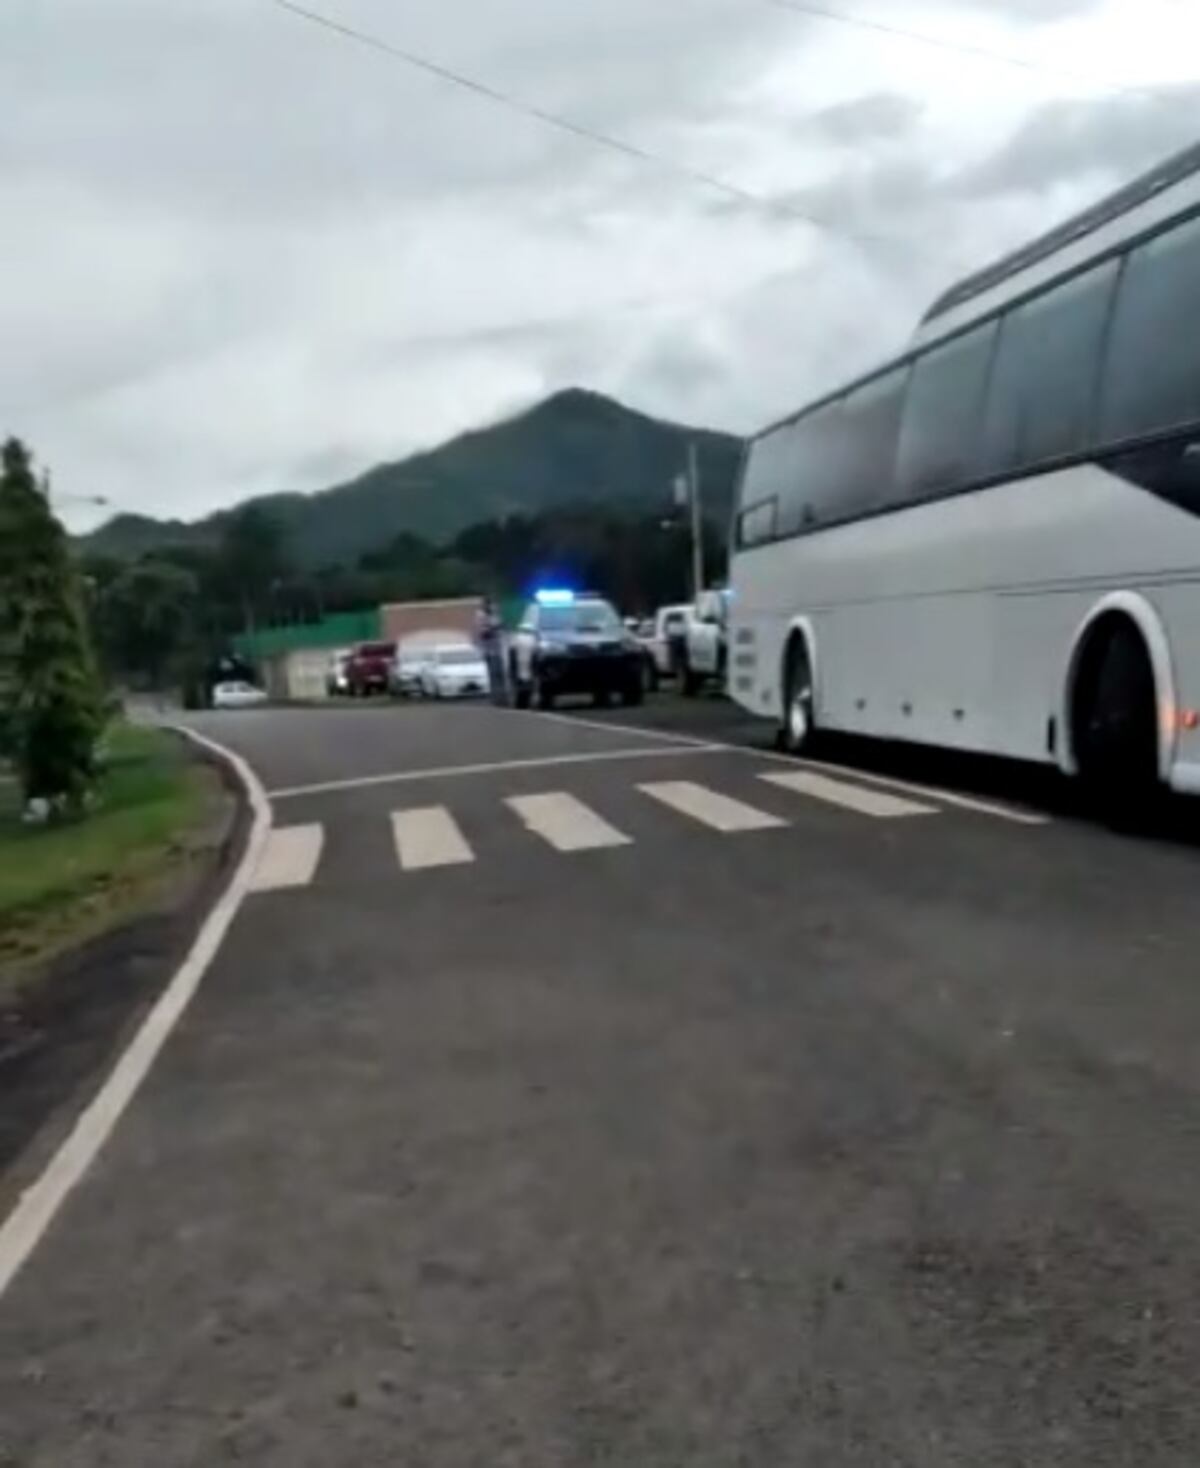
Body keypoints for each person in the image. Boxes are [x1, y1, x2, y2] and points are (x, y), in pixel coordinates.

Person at [476, 597, 508, 705]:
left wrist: (499, 626)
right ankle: (496, 699)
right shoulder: (481, 616)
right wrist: (495, 628)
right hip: (490, 651)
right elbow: (484, 634)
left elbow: (503, 627)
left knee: (501, 675)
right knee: (494, 675)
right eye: (492, 605)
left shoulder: (496, 616)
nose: (494, 607)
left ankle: (503, 697)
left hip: (498, 650)